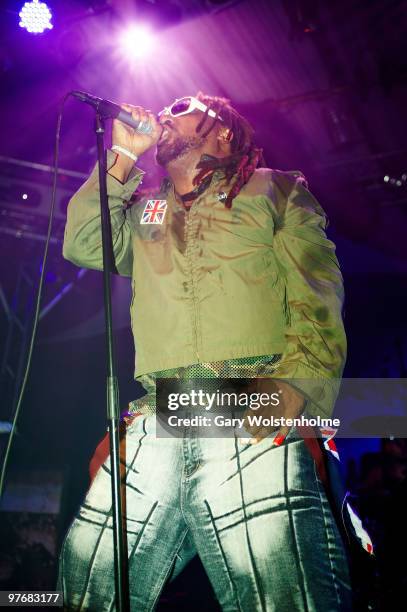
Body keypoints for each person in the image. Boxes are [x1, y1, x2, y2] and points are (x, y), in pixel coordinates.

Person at [58, 93, 351, 611]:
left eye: (183, 104)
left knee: (282, 592)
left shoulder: (272, 190)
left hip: (250, 404)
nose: (165, 112)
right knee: (90, 585)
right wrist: (123, 157)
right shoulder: (148, 208)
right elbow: (83, 242)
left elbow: (316, 294)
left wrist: (295, 391)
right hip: (159, 411)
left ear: (224, 133)